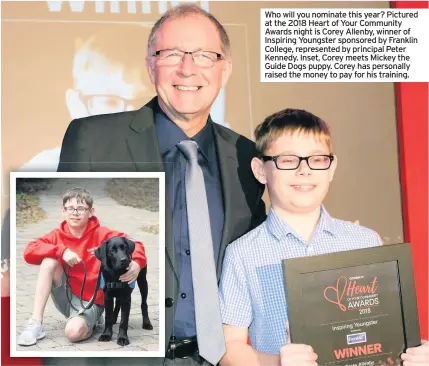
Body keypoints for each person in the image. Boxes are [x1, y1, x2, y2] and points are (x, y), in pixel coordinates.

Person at [56, 3, 266, 366]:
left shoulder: (246, 157)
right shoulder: (93, 140)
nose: (188, 68)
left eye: (204, 55)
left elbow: (261, 260)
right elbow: (66, 266)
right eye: (171, 54)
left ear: (225, 69)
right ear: (151, 64)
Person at [218, 108, 429, 366]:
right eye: (287, 160)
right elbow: (229, 346)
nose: (304, 170)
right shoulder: (243, 253)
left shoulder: (364, 242)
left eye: (317, 160)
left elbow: (386, 331)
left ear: (332, 168)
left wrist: (410, 351)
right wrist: (277, 363)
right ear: (260, 170)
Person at [17, 187, 147, 346]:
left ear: (91, 211)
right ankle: (35, 323)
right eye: (70, 208)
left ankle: (93, 321)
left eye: (81, 208)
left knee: (73, 333)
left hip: (91, 302)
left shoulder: (103, 234)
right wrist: (61, 251)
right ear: (62, 211)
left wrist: (137, 263)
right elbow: (29, 251)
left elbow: (137, 244)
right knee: (49, 261)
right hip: (66, 296)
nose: (75, 212)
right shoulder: (56, 235)